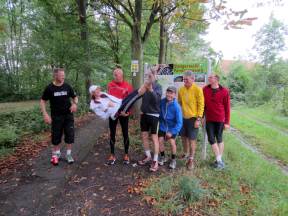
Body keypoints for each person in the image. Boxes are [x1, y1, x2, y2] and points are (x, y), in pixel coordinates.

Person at [40, 68, 78, 166]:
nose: (63, 77)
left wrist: (74, 104)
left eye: (64, 75)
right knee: (56, 136)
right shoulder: (49, 88)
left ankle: (69, 154)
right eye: (61, 75)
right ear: (55, 76)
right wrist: (45, 114)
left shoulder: (67, 86)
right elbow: (43, 101)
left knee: (70, 134)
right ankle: (56, 154)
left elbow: (75, 97)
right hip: (56, 116)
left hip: (68, 115)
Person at [178, 70, 204, 170]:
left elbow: (201, 105)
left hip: (193, 118)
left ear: (193, 79)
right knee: (183, 137)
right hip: (183, 118)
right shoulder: (181, 89)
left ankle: (191, 159)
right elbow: (179, 102)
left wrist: (198, 119)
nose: (185, 81)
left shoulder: (198, 90)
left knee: (192, 139)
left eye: (187, 80)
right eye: (184, 80)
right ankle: (185, 153)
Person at [137, 68, 162, 172]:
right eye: (147, 75)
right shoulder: (145, 84)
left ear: (155, 75)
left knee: (154, 137)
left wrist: (151, 89)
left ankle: (155, 161)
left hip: (154, 115)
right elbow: (139, 93)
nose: (149, 77)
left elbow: (157, 100)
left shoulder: (158, 86)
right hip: (144, 114)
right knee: (144, 135)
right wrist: (145, 85)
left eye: (150, 75)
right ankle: (148, 156)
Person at [203, 74, 230, 169]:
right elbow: (203, 105)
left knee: (219, 138)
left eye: (211, 77)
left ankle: (218, 160)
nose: (209, 78)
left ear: (217, 79)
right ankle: (219, 161)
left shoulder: (224, 91)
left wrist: (227, 122)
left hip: (220, 118)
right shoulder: (205, 89)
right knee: (211, 139)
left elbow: (227, 107)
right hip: (209, 118)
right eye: (209, 77)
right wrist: (202, 117)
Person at [107, 67, 133, 165]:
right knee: (112, 133)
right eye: (114, 74)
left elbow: (131, 101)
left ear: (122, 75)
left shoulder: (128, 86)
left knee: (125, 133)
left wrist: (128, 112)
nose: (115, 76)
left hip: (123, 113)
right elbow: (108, 98)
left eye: (117, 74)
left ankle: (126, 154)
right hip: (113, 113)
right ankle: (112, 154)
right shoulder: (110, 85)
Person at [158, 86, 183, 169]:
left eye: (171, 93)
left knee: (172, 142)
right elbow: (158, 112)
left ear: (175, 95)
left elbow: (179, 122)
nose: (169, 95)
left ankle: (173, 159)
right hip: (163, 126)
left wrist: (172, 132)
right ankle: (162, 157)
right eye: (168, 92)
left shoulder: (176, 107)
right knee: (160, 140)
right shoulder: (162, 102)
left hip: (173, 128)